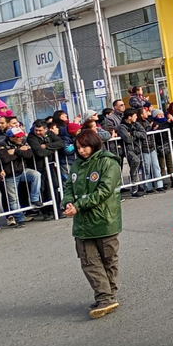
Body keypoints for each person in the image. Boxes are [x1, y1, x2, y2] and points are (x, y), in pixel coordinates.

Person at [61, 129, 122, 319]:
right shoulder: (77, 165)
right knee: (89, 261)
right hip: (83, 222)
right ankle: (105, 296)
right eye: (78, 148)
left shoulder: (108, 162)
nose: (81, 151)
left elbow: (104, 190)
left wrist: (79, 206)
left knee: (108, 259)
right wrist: (68, 202)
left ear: (94, 144)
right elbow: (69, 186)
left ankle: (108, 295)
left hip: (104, 219)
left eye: (84, 146)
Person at [0, 127, 42, 228]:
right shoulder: (1, 144)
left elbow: (29, 154)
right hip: (10, 175)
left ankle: (35, 199)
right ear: (11, 138)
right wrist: (20, 152)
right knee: (13, 199)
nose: (20, 138)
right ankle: (20, 219)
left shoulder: (23, 141)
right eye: (18, 137)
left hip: (22, 171)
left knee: (36, 175)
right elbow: (5, 159)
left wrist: (16, 151)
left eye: (21, 136)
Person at [27, 119, 65, 220]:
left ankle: (57, 210)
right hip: (38, 167)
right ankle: (46, 212)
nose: (38, 132)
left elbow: (61, 143)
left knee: (54, 187)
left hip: (49, 165)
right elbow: (39, 151)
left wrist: (47, 146)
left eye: (40, 130)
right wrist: (51, 151)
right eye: (36, 130)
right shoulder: (31, 137)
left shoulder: (49, 134)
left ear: (45, 129)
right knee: (42, 190)